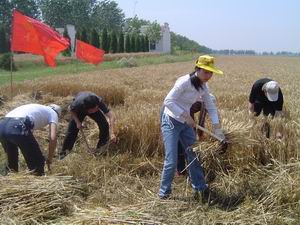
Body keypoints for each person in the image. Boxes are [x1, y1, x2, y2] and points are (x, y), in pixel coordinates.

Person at [159, 55, 225, 201]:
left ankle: (200, 187)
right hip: (171, 120)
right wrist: (185, 115)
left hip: (186, 123)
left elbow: (211, 107)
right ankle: (164, 193)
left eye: (211, 72)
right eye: (206, 72)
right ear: (197, 69)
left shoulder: (203, 86)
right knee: (172, 160)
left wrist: (217, 128)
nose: (209, 75)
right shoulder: (184, 82)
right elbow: (168, 101)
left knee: (194, 155)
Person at [0, 103, 61, 176]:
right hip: (18, 125)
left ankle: (8, 181)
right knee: (37, 161)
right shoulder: (53, 113)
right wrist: (50, 158)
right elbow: (53, 138)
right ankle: (38, 182)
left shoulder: (38, 108)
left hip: (2, 125)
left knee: (11, 161)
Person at [60, 91, 116, 158]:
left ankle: (101, 148)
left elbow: (111, 116)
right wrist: (78, 122)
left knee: (104, 124)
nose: (93, 112)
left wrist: (112, 132)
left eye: (95, 109)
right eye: (91, 111)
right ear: (86, 108)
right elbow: (71, 109)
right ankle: (64, 154)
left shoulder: (98, 102)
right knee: (72, 131)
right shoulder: (78, 104)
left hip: (91, 106)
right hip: (79, 111)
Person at [177, 94, 216, 176]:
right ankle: (189, 170)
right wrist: (200, 135)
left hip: (177, 111)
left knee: (181, 141)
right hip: (181, 113)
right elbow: (201, 121)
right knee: (189, 144)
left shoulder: (203, 98)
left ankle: (181, 170)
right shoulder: (205, 102)